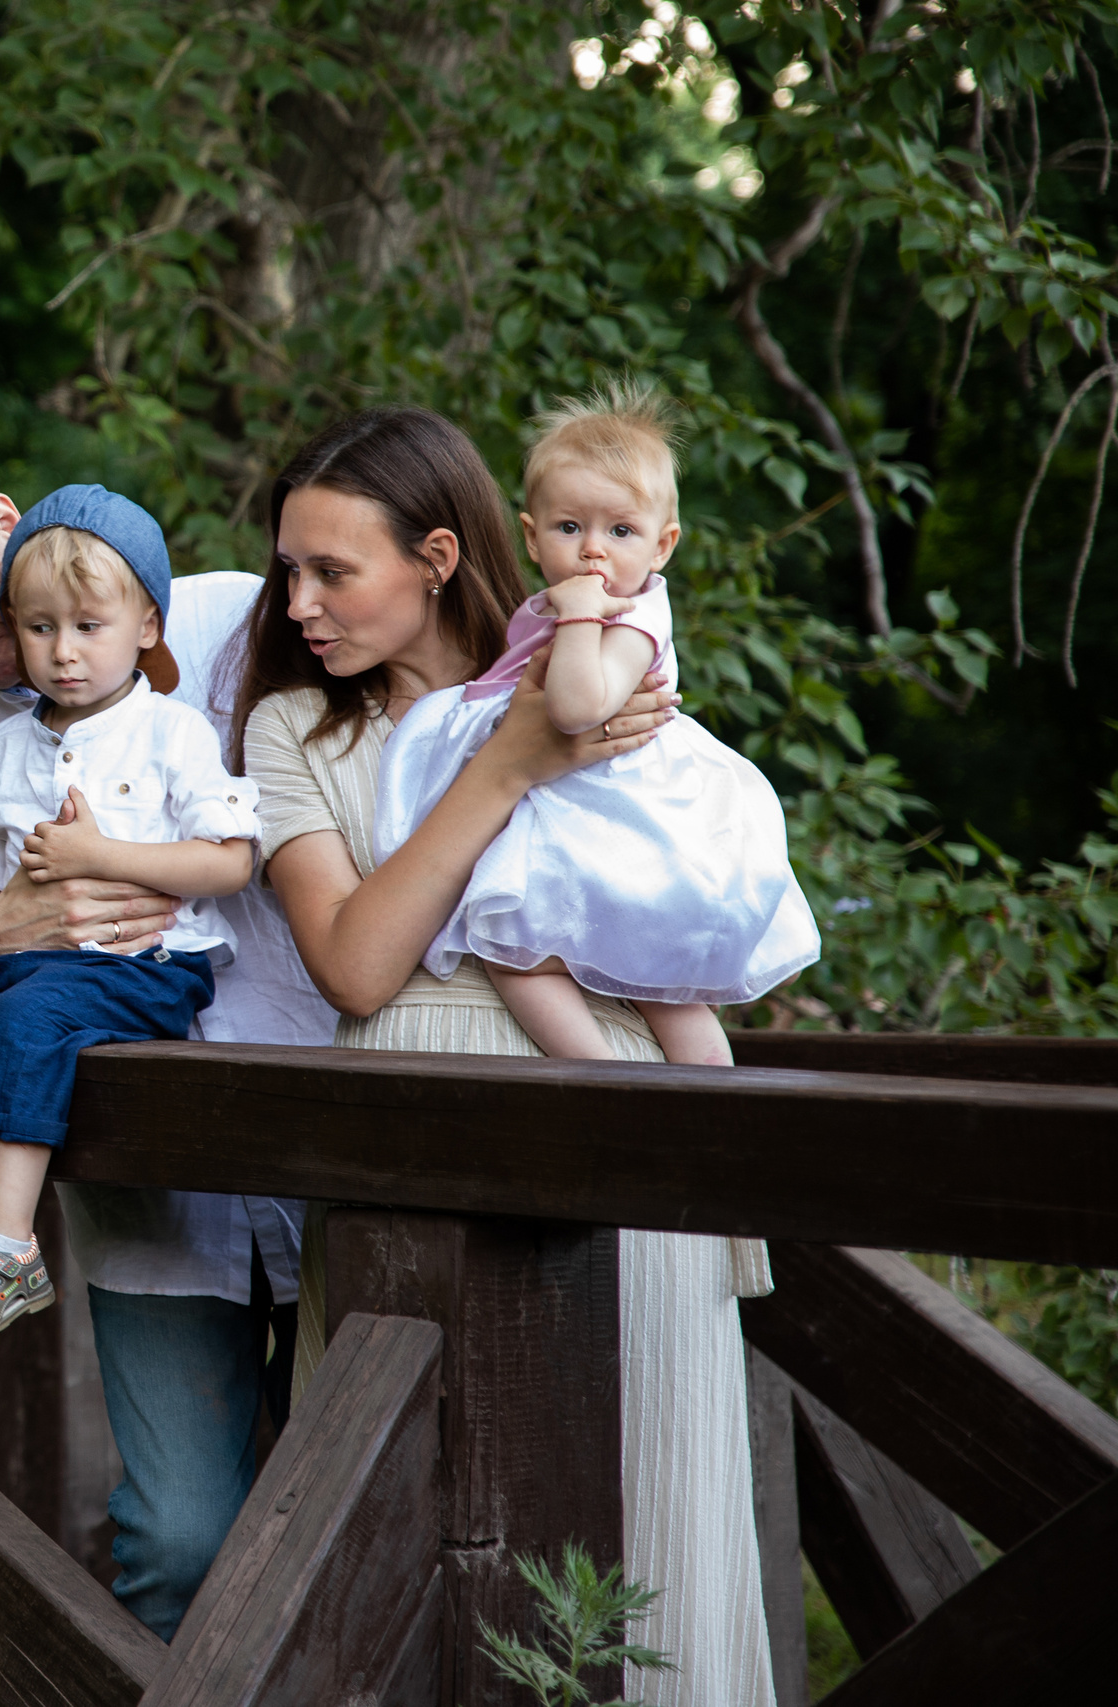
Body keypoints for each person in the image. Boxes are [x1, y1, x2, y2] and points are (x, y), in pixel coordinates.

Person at [237, 405, 774, 1704]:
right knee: (409, 1530)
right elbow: (360, 962)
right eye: (286, 572)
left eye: (331, 569)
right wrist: (512, 758)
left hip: (623, 1100)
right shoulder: (300, 733)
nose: (300, 601)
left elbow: (679, 875)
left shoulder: (598, 659)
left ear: (433, 553)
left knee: (653, 1502)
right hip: (413, 1141)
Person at [0, 429, 337, 1640]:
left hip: (320, 1117)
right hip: (144, 1171)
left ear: (3, 519)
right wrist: (2, 917)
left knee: (367, 1508)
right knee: (175, 1538)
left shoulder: (224, 621)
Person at [0, 487, 260, 1359]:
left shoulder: (172, 728)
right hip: (37, 965)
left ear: (146, 626)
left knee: (25, 1017)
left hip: (145, 962)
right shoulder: (5, 744)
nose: (63, 653)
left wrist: (105, 858)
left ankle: (7, 1242)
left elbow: (232, 857)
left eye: (86, 628)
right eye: (40, 629)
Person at [373, 382, 820, 1065]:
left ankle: (632, 1085)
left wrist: (579, 613)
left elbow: (579, 706)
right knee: (584, 971)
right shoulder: (569, 600)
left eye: (621, 531)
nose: (593, 551)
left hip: (620, 812)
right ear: (531, 535)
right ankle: (617, 1080)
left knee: (558, 964)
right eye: (569, 528)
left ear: (663, 544)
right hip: (575, 800)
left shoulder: (634, 616)